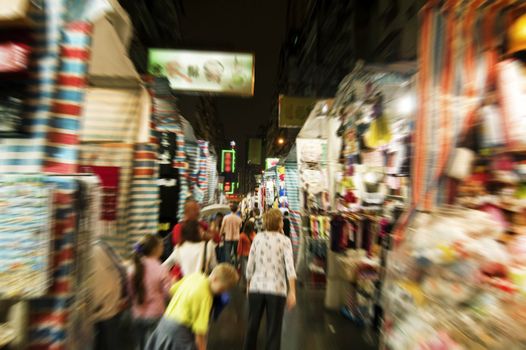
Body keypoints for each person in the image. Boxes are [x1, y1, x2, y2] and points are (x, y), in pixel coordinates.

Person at [146, 264, 239, 350]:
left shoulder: (195, 276)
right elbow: (200, 334)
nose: (222, 293)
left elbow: (172, 290)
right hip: (179, 332)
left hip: (164, 324)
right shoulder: (206, 296)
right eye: (222, 289)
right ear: (215, 279)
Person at [244, 209, 297, 350]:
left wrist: (248, 285)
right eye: (281, 220)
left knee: (252, 327)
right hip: (277, 289)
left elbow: (250, 264)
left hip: (256, 287)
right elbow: (290, 267)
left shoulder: (258, 238)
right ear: (279, 223)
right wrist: (292, 291)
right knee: (273, 331)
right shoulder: (285, 241)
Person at [128, 234, 171, 350]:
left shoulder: (133, 267)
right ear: (155, 249)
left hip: (136, 314)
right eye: (161, 246)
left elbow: (130, 292)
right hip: (155, 315)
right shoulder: (161, 268)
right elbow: (167, 293)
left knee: (138, 346)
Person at [91, 240, 133, 350]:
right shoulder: (100, 246)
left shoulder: (78, 253)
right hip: (110, 306)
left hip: (91, 311)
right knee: (112, 342)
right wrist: (124, 296)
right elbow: (121, 270)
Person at [169, 199, 208, 280]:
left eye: (198, 209)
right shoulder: (178, 227)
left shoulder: (202, 225)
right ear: (186, 211)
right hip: (181, 276)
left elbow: (217, 238)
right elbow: (178, 244)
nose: (198, 212)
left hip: (193, 277)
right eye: (195, 209)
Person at [237, 220, 256, 288]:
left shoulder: (242, 235)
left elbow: (239, 247)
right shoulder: (254, 234)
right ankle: (251, 285)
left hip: (244, 255)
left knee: (245, 271)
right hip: (252, 255)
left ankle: (246, 285)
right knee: (252, 270)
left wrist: (238, 257)